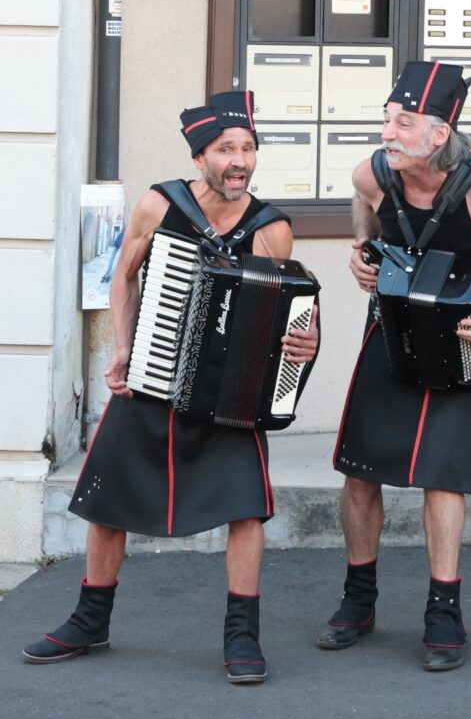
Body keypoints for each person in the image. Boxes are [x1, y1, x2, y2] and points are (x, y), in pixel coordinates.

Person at [22, 91, 319, 684]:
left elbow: (290, 314)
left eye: (248, 149)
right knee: (108, 500)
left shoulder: (271, 228)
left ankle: (242, 636)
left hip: (228, 400)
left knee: (246, 512)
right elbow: (124, 280)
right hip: (149, 382)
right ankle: (90, 619)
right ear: (200, 157)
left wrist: (304, 344)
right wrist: (125, 348)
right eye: (226, 150)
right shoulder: (161, 204)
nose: (241, 161)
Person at [318, 61, 471, 672]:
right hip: (389, 328)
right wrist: (362, 247)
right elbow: (360, 200)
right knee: (361, 471)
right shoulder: (376, 171)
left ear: (439, 134)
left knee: (444, 475)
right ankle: (358, 601)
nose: (388, 131)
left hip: (463, 337)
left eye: (403, 121)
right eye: (388, 118)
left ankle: (444, 610)